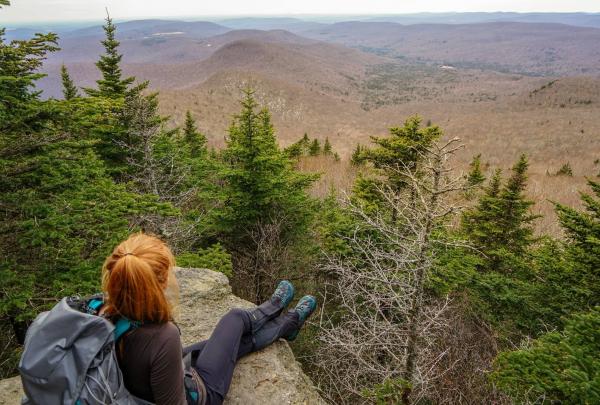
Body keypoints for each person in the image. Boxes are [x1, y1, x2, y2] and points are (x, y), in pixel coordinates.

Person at [100, 233, 317, 405]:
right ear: (159, 285)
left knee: (229, 343)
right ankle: (283, 315)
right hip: (200, 394)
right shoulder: (164, 337)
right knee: (235, 319)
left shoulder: (102, 314)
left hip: (147, 381)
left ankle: (286, 322)